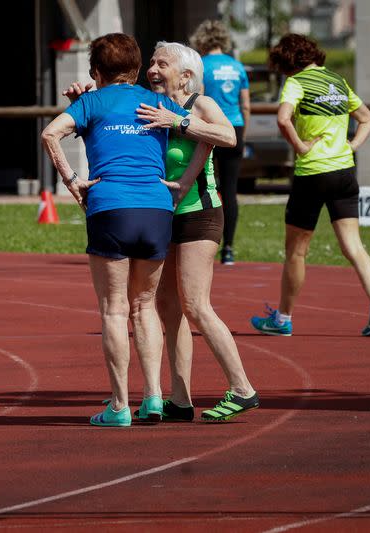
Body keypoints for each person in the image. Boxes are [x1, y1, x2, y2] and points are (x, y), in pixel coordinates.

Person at [42, 33, 199, 427]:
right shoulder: (161, 102)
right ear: (136, 68)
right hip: (156, 208)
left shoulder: (90, 101)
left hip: (109, 206)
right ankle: (153, 399)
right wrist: (185, 182)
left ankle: (118, 405)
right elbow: (207, 134)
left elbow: (49, 134)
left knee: (114, 309)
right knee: (145, 306)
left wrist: (72, 179)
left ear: (96, 71)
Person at [131, 41, 258, 422]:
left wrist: (180, 123)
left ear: (186, 75)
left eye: (161, 64)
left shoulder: (199, 104)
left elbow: (229, 137)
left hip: (199, 214)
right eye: (151, 63)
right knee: (170, 310)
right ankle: (180, 399)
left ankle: (243, 389)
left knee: (197, 306)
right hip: (161, 217)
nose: (152, 69)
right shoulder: (150, 103)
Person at [250, 34, 370, 337]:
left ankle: (283, 319)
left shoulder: (297, 82)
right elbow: (368, 118)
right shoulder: (337, 81)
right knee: (354, 246)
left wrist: (300, 146)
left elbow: (283, 119)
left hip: (313, 173)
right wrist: (352, 145)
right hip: (344, 172)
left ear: (288, 61)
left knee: (297, 252)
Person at [189, 20, 250, 265]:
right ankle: (229, 249)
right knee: (230, 190)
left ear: (202, 41)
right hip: (234, 127)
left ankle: (202, 242)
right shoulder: (237, 66)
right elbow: (245, 104)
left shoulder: (202, 65)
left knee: (204, 185)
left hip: (211, 127)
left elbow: (198, 98)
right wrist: (243, 135)